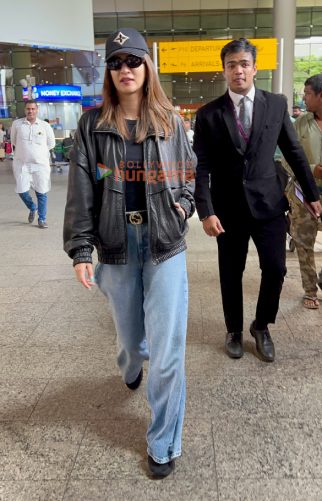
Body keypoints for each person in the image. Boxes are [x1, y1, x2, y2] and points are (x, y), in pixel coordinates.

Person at [63, 28, 196, 478]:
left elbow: (190, 173)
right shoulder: (92, 124)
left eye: (133, 61)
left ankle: (163, 441)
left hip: (165, 244)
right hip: (116, 244)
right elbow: (82, 189)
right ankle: (131, 359)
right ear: (109, 72)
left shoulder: (170, 120)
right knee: (128, 340)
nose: (125, 69)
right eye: (116, 62)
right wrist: (82, 248)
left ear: (147, 66)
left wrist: (185, 204)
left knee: (169, 350)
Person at [193, 38, 322, 363]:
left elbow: (293, 151)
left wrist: (313, 195)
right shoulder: (208, 114)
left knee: (276, 268)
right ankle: (234, 330)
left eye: (244, 64)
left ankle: (261, 325)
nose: (238, 70)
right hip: (228, 210)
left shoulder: (276, 104)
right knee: (230, 272)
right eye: (232, 64)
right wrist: (205, 211)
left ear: (254, 68)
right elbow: (202, 166)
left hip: (269, 206)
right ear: (224, 70)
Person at [286, 74, 322, 308]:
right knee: (304, 243)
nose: (303, 98)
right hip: (303, 195)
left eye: (307, 93)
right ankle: (310, 291)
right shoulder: (300, 123)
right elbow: (286, 159)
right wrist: (312, 170)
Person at [11, 100, 55, 228]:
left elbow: (51, 144)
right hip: (22, 164)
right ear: (25, 110)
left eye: (33, 109)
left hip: (40, 165)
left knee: (41, 192)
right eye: (28, 109)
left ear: (37, 110)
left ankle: (42, 219)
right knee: (21, 190)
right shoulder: (17, 124)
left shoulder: (45, 126)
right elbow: (14, 141)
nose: (30, 111)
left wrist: (38, 153)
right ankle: (32, 207)